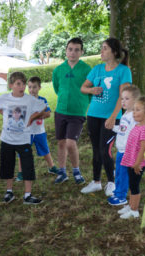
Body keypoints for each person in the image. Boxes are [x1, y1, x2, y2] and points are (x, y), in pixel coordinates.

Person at [80, 38, 132, 196]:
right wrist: (91, 91)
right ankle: (96, 182)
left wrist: (113, 116)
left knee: (105, 150)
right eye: (101, 48)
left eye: (104, 48)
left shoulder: (123, 71)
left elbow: (123, 96)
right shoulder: (97, 69)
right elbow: (83, 88)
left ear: (114, 52)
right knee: (96, 149)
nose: (101, 51)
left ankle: (112, 182)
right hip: (93, 115)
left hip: (111, 117)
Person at [0, 71, 47, 205]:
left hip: (23, 140)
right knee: (7, 165)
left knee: (27, 167)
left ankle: (27, 195)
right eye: (18, 84)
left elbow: (43, 107)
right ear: (11, 85)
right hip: (7, 140)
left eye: (23, 84)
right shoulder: (4, 98)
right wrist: (4, 114)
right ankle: (9, 192)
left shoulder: (29, 99)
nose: (22, 87)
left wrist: (31, 118)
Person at [52, 37, 92, 184]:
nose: (73, 52)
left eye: (76, 50)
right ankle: (62, 172)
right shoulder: (58, 70)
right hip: (61, 110)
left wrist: (83, 105)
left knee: (70, 142)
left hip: (77, 112)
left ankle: (76, 170)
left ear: (81, 52)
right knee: (61, 142)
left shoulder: (87, 69)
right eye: (70, 49)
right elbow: (57, 88)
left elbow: (90, 90)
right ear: (66, 51)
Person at [118, 96, 145, 219]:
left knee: (134, 186)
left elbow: (143, 148)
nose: (134, 112)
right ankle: (131, 204)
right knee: (131, 184)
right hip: (130, 160)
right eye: (134, 109)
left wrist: (137, 163)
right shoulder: (137, 126)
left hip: (137, 163)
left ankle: (134, 210)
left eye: (138, 110)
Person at [15, 76, 56, 181]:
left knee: (45, 150)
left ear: (39, 88)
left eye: (34, 87)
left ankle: (52, 167)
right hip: (26, 132)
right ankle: (21, 173)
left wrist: (36, 116)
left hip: (39, 131)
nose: (31, 90)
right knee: (22, 152)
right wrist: (38, 114)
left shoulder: (42, 100)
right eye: (29, 87)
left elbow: (48, 114)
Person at [108, 85, 140, 207]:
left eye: (127, 99)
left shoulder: (134, 117)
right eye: (122, 99)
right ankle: (117, 192)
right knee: (119, 172)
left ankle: (121, 196)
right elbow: (123, 130)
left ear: (136, 101)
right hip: (121, 150)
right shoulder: (126, 114)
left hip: (127, 151)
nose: (123, 101)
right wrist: (114, 128)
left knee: (123, 174)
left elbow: (135, 134)